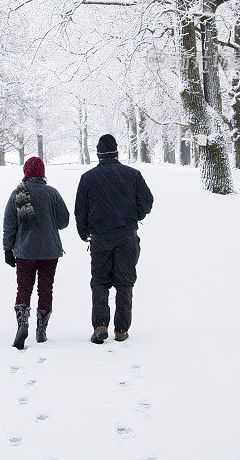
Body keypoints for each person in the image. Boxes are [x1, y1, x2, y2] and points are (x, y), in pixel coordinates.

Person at [75, 133, 153, 344]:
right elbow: (147, 201)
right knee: (125, 282)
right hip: (127, 236)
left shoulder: (88, 178)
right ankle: (121, 329)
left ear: (99, 154)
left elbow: (80, 210)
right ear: (117, 153)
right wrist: (134, 216)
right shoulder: (132, 175)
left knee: (100, 281)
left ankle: (100, 326)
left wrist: (84, 233)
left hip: (100, 238)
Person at [3, 156, 70, 350]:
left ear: (26, 173)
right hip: (49, 250)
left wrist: (8, 249)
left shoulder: (18, 193)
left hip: (25, 251)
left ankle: (23, 322)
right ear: (43, 173)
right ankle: (41, 329)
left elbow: (9, 224)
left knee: (23, 289)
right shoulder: (52, 193)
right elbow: (64, 222)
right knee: (45, 289)